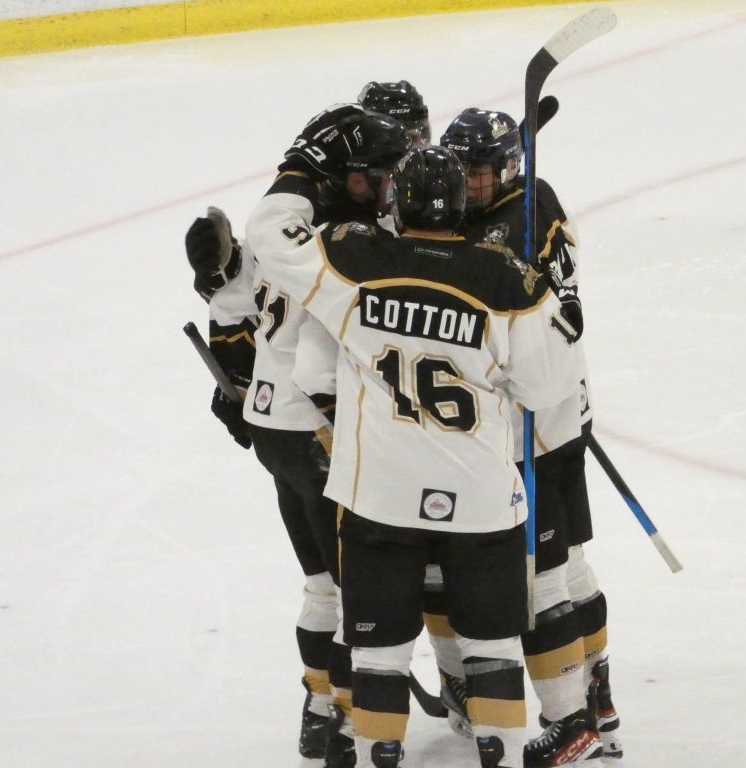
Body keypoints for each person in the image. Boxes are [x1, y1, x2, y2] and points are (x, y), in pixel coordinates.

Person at [245, 138, 581, 768]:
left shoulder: (351, 259)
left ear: (397, 203)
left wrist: (302, 165)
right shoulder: (506, 278)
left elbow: (270, 241)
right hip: (481, 501)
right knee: (493, 649)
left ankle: (378, 751)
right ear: (461, 206)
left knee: (379, 653)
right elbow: (547, 387)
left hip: (381, 496)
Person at [183, 103, 412, 764]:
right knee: (359, 590)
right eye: (372, 176)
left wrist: (236, 372)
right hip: (315, 431)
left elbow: (234, 305)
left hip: (275, 428)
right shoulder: (336, 241)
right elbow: (319, 359)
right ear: (338, 176)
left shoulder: (293, 232)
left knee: (323, 585)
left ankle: (318, 711)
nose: (384, 187)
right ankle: (344, 722)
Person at [438, 108, 622, 765]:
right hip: (562, 404)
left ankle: (571, 721)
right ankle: (597, 699)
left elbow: (494, 289)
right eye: (461, 170)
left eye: (480, 172)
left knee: (542, 576)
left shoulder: (515, 218)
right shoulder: (527, 199)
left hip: (534, 421)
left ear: (508, 168)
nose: (468, 182)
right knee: (568, 563)